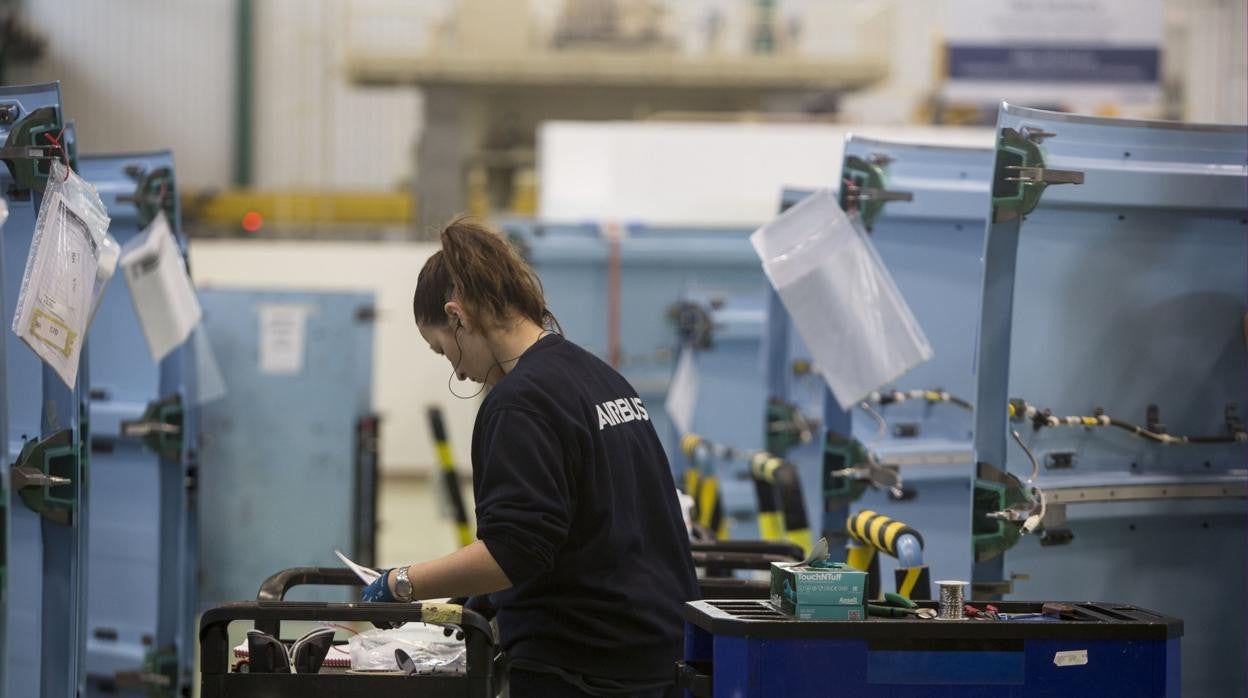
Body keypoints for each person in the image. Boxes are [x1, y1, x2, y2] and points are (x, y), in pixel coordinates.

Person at [361, 217, 700, 696]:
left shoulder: (520, 402)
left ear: (457, 317)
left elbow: (515, 549)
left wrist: (401, 582)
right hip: (655, 650)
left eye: (442, 350)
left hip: (585, 667)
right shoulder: (597, 376)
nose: (457, 372)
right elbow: (584, 519)